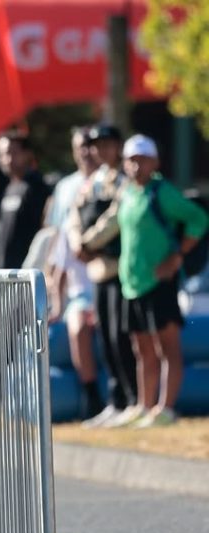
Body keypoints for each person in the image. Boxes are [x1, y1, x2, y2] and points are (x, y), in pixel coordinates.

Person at [115, 135, 208, 427]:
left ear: (155, 162)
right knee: (141, 348)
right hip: (132, 283)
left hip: (160, 282)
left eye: (142, 159)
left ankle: (165, 409)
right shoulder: (127, 193)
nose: (136, 165)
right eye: (131, 159)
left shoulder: (162, 192)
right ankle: (145, 405)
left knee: (167, 347)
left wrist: (177, 256)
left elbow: (198, 219)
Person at [67, 124, 139, 428]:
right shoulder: (92, 182)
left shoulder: (124, 180)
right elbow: (74, 213)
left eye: (108, 145)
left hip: (118, 268)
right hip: (97, 270)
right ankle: (116, 400)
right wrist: (76, 242)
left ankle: (133, 399)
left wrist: (88, 242)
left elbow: (115, 217)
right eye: (97, 146)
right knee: (106, 339)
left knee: (122, 338)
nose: (101, 151)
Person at [46, 128, 103, 421]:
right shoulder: (66, 189)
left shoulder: (113, 183)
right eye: (80, 146)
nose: (86, 152)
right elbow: (59, 243)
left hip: (110, 284)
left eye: (92, 146)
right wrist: (56, 299)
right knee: (78, 326)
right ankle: (91, 396)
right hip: (81, 291)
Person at [0, 131, 51, 269]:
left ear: (27, 154)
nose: (7, 159)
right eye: (2, 154)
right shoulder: (9, 187)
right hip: (6, 273)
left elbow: (45, 229)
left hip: (29, 274)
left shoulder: (37, 187)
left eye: (12, 153)